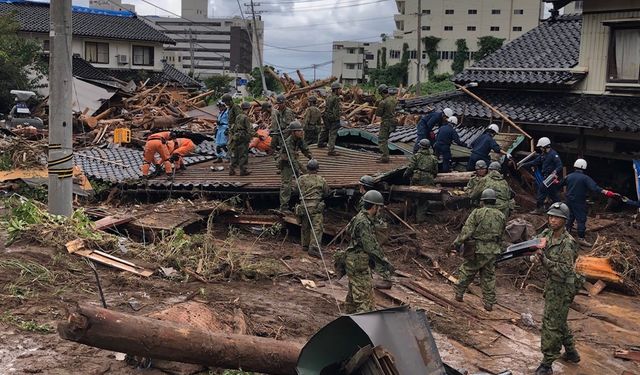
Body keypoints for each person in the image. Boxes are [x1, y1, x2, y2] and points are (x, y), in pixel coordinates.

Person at [533, 202, 581, 375]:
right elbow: (537, 243)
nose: (552, 220)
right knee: (558, 319)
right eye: (551, 216)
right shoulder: (548, 233)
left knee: (551, 324)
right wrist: (534, 252)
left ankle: (547, 364)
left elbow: (563, 270)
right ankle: (571, 353)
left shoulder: (567, 243)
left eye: (556, 218)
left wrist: (543, 259)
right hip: (552, 284)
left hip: (562, 286)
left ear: (564, 221)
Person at [452, 188, 506, 312]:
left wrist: (457, 243)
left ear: (483, 200)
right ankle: (489, 303)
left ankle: (459, 294)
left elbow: (467, 231)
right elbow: (502, 234)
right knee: (489, 276)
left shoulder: (477, 213)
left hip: (477, 248)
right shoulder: (501, 215)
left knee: (468, 270)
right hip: (493, 250)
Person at [343, 190, 394, 313]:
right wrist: (384, 263)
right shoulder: (364, 222)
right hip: (358, 264)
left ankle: (348, 320)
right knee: (365, 301)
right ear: (374, 206)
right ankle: (362, 326)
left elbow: (348, 230)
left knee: (353, 297)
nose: (379, 211)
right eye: (379, 208)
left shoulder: (360, 216)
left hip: (354, 262)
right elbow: (371, 247)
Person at [562, 158, 619, 247]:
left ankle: (565, 234)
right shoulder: (585, 178)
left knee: (570, 216)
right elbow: (594, 188)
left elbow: (560, 183)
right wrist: (607, 192)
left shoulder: (569, 176)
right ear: (584, 167)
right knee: (581, 219)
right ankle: (581, 238)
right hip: (579, 201)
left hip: (568, 200)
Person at [295, 159, 329, 258]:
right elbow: (327, 192)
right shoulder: (321, 179)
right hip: (315, 207)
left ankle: (305, 245)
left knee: (305, 225)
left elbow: (296, 191)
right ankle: (313, 247)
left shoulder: (301, 179)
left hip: (303, 206)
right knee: (317, 227)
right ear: (317, 169)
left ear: (307, 168)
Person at [521, 137, 563, 214]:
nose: (540, 149)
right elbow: (534, 162)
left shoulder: (554, 154)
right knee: (553, 194)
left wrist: (555, 171)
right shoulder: (543, 155)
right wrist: (523, 164)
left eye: (541, 147)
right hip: (546, 176)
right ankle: (560, 208)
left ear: (545, 146)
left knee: (541, 190)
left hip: (551, 177)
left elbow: (559, 165)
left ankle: (539, 209)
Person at [278, 121, 313, 212]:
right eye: (298, 131)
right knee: (286, 185)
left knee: (308, 175)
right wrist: (297, 172)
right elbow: (291, 158)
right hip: (286, 162)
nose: (301, 132)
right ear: (293, 132)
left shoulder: (299, 139)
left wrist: (311, 157)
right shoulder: (288, 142)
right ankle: (284, 207)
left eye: (301, 130)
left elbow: (305, 148)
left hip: (294, 160)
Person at [403, 139, 438, 223]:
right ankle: (420, 218)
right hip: (428, 180)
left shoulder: (416, 156)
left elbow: (410, 167)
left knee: (414, 196)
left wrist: (405, 175)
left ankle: (412, 217)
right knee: (423, 199)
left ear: (420, 146)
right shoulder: (433, 158)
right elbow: (435, 171)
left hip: (416, 179)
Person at [228, 102, 254, 176]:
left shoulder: (238, 116)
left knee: (235, 153)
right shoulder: (245, 117)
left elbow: (234, 127)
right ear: (248, 108)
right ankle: (243, 170)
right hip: (243, 137)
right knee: (243, 154)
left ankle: (231, 169)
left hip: (236, 137)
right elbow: (249, 129)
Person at [375, 84, 398, 163]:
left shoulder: (383, 102)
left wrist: (377, 105)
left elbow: (378, 114)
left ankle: (385, 157)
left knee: (382, 139)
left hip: (386, 122)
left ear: (381, 93)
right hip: (393, 122)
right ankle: (385, 155)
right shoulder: (394, 99)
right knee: (386, 139)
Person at [318, 82, 342, 156]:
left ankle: (320, 143)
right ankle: (331, 150)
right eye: (339, 89)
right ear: (336, 90)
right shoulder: (336, 98)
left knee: (324, 130)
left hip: (326, 117)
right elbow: (336, 111)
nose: (340, 91)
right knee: (332, 134)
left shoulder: (328, 96)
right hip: (333, 118)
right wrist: (337, 120)